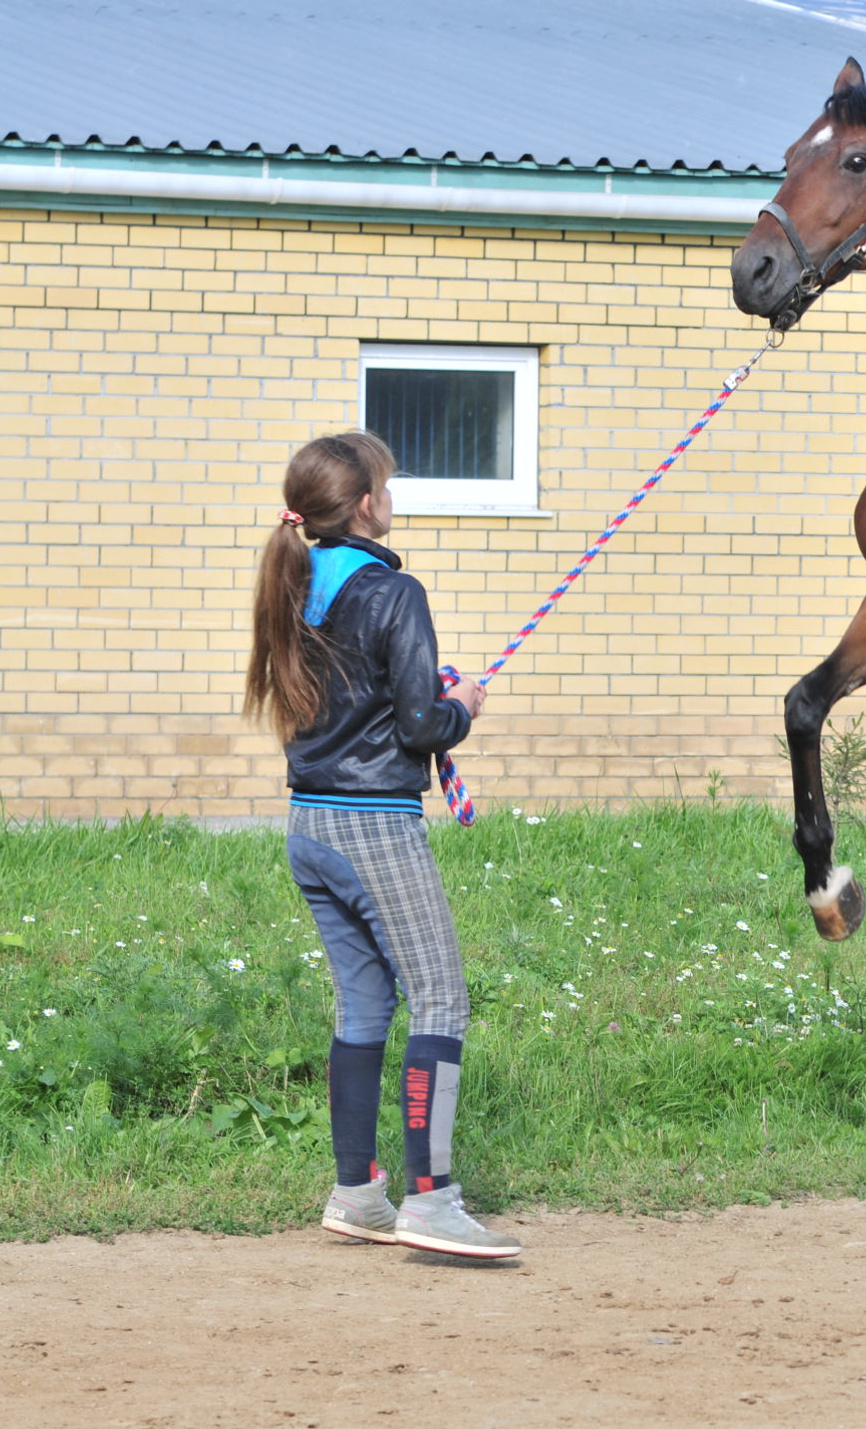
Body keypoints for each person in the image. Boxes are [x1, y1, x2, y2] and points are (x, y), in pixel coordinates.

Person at [243, 431, 521, 1260]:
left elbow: (360, 698)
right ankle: (430, 1202)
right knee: (442, 998)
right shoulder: (398, 594)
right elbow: (420, 725)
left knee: (364, 1004)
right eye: (388, 487)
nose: (393, 497)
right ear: (365, 504)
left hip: (310, 828)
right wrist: (463, 704)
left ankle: (356, 1192)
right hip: (373, 825)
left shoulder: (295, 581)